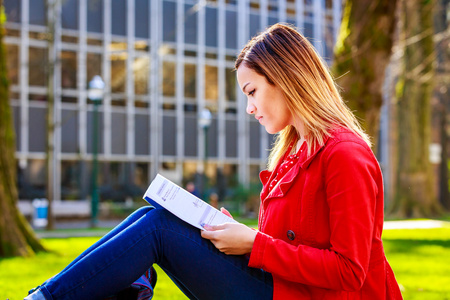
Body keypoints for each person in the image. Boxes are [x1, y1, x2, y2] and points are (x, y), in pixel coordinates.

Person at [25, 23, 402, 300]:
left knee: (158, 226)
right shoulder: (293, 150)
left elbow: (350, 271)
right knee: (152, 216)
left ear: (287, 79)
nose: (250, 108)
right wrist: (234, 233)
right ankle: (107, 289)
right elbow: (289, 244)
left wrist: (254, 243)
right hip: (280, 289)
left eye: (252, 92)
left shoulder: (345, 153)